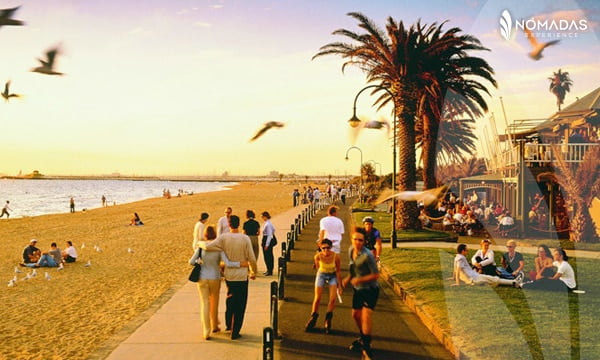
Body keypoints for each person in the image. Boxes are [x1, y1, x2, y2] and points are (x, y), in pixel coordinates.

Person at [199, 215, 257, 340]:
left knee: (230, 300)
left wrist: (199, 242)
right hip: (241, 276)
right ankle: (235, 331)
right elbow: (252, 258)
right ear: (239, 224)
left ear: (229, 225)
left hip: (229, 275)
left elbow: (208, 246)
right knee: (240, 304)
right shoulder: (245, 238)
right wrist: (253, 271)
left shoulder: (224, 237)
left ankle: (228, 325)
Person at [190, 225, 247, 340]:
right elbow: (228, 263)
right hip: (215, 277)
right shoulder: (218, 248)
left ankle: (206, 331)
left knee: (204, 303)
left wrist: (201, 262)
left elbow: (191, 261)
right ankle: (214, 325)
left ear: (205, 235)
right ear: (215, 235)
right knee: (214, 302)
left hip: (202, 277)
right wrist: (240, 264)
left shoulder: (201, 247)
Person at [342, 227, 379, 360]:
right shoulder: (351, 250)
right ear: (351, 239)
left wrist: (360, 279)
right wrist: (347, 279)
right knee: (355, 315)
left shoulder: (368, 255)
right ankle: (363, 337)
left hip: (371, 290)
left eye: (360, 240)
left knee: (366, 316)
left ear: (364, 241)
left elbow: (376, 275)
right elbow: (353, 268)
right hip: (358, 289)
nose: (357, 242)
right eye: (355, 239)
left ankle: (367, 348)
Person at [305, 239, 342, 333]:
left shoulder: (336, 257)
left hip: (332, 275)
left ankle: (328, 319)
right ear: (320, 248)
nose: (326, 250)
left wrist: (340, 285)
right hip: (322, 274)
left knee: (333, 298)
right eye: (323, 248)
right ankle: (313, 317)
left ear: (331, 248)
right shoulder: (317, 256)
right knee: (317, 297)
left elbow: (338, 271)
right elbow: (318, 268)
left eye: (328, 248)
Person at [454, 243, 519, 287]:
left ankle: (513, 282)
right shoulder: (460, 258)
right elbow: (458, 270)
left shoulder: (457, 257)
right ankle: (514, 282)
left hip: (475, 276)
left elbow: (456, 269)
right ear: (463, 251)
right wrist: (457, 283)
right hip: (474, 279)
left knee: (491, 280)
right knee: (493, 279)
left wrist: (454, 278)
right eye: (466, 250)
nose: (467, 252)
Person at [260, 211, 276, 276]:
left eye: (262, 217)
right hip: (266, 239)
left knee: (268, 256)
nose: (262, 218)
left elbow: (269, 235)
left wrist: (267, 245)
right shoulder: (268, 223)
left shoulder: (268, 224)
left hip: (267, 239)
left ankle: (269, 270)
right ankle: (268, 269)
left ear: (265, 216)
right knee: (268, 256)